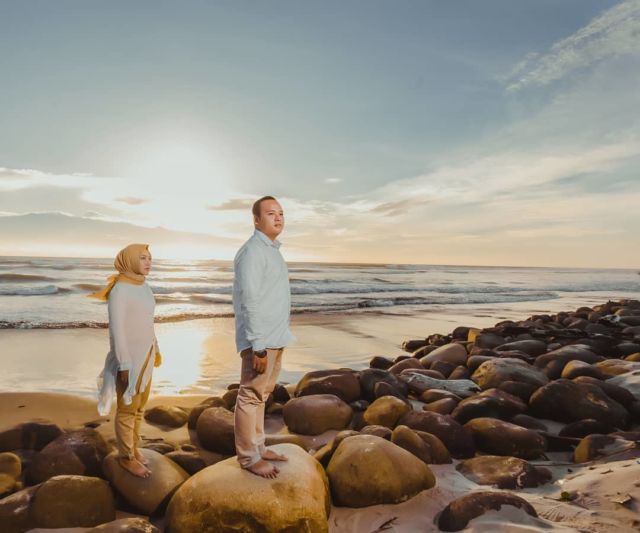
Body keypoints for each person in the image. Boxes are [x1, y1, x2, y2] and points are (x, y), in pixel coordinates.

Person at [233, 196, 296, 478]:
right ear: (257, 220)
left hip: (276, 336)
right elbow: (250, 301)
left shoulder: (272, 250)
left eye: (281, 213)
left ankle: (259, 446)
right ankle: (248, 457)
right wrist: (258, 346)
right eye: (271, 213)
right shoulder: (252, 253)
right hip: (261, 341)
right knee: (250, 395)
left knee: (262, 395)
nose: (278, 218)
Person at [91, 244, 161, 478]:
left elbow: (147, 321)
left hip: (147, 355)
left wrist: (156, 348)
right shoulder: (120, 290)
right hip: (129, 358)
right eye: (142, 258)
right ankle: (125, 457)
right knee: (127, 409)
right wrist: (123, 363)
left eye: (150, 258)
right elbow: (117, 330)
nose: (148, 262)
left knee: (140, 408)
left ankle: (134, 448)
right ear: (129, 260)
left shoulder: (144, 286)